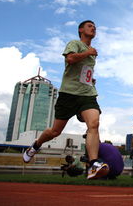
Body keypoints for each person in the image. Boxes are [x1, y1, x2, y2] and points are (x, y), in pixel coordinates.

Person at [23, 20, 109, 180]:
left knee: (94, 124)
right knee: (55, 132)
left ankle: (93, 165)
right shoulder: (75, 44)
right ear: (81, 30)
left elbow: (84, 72)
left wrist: (90, 81)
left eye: (95, 27)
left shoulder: (91, 52)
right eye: (90, 26)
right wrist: (87, 53)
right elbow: (70, 59)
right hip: (68, 95)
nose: (94, 28)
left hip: (87, 94)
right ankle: (35, 145)